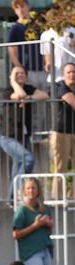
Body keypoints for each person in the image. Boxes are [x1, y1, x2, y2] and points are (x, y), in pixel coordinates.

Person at [0, 66, 48, 203]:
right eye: (16, 73)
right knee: (28, 159)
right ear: (11, 76)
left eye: (22, 73)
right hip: (8, 137)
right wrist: (13, 82)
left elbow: (45, 95)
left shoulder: (28, 88)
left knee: (18, 167)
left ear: (26, 76)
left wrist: (29, 97)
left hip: (24, 136)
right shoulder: (7, 90)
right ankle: (20, 192)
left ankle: (12, 199)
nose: (20, 75)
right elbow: (18, 95)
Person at [13, 176, 53, 265]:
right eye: (28, 188)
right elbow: (16, 234)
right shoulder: (22, 210)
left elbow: (50, 230)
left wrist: (48, 224)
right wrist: (35, 225)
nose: (31, 191)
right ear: (24, 191)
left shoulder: (44, 208)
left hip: (45, 250)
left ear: (38, 190)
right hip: (30, 252)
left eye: (33, 188)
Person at [51, 63, 75, 197]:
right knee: (61, 167)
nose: (72, 75)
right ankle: (58, 198)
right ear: (64, 74)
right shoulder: (60, 86)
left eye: (74, 72)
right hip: (62, 133)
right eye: (69, 72)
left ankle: (73, 197)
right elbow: (72, 101)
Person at [7, 1, 43, 85]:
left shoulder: (38, 26)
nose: (20, 9)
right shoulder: (15, 28)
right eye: (17, 8)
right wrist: (20, 68)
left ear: (28, 7)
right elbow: (12, 50)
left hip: (42, 68)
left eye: (22, 6)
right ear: (14, 11)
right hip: (27, 70)